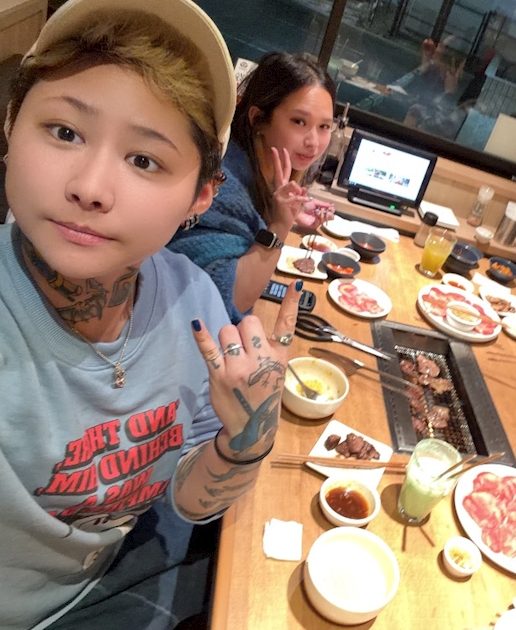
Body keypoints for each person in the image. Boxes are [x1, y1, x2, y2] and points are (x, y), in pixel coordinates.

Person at [0, 1, 302, 627]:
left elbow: (186, 495)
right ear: (9, 125)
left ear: (201, 196)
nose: (90, 187)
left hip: (121, 572)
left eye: (144, 160)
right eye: (64, 132)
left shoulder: (192, 302)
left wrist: (245, 441)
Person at [167, 52, 336, 323]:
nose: (314, 142)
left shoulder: (265, 167)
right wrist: (280, 225)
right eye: (299, 121)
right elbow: (227, 299)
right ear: (258, 119)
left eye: (324, 126)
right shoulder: (221, 184)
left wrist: (294, 212)